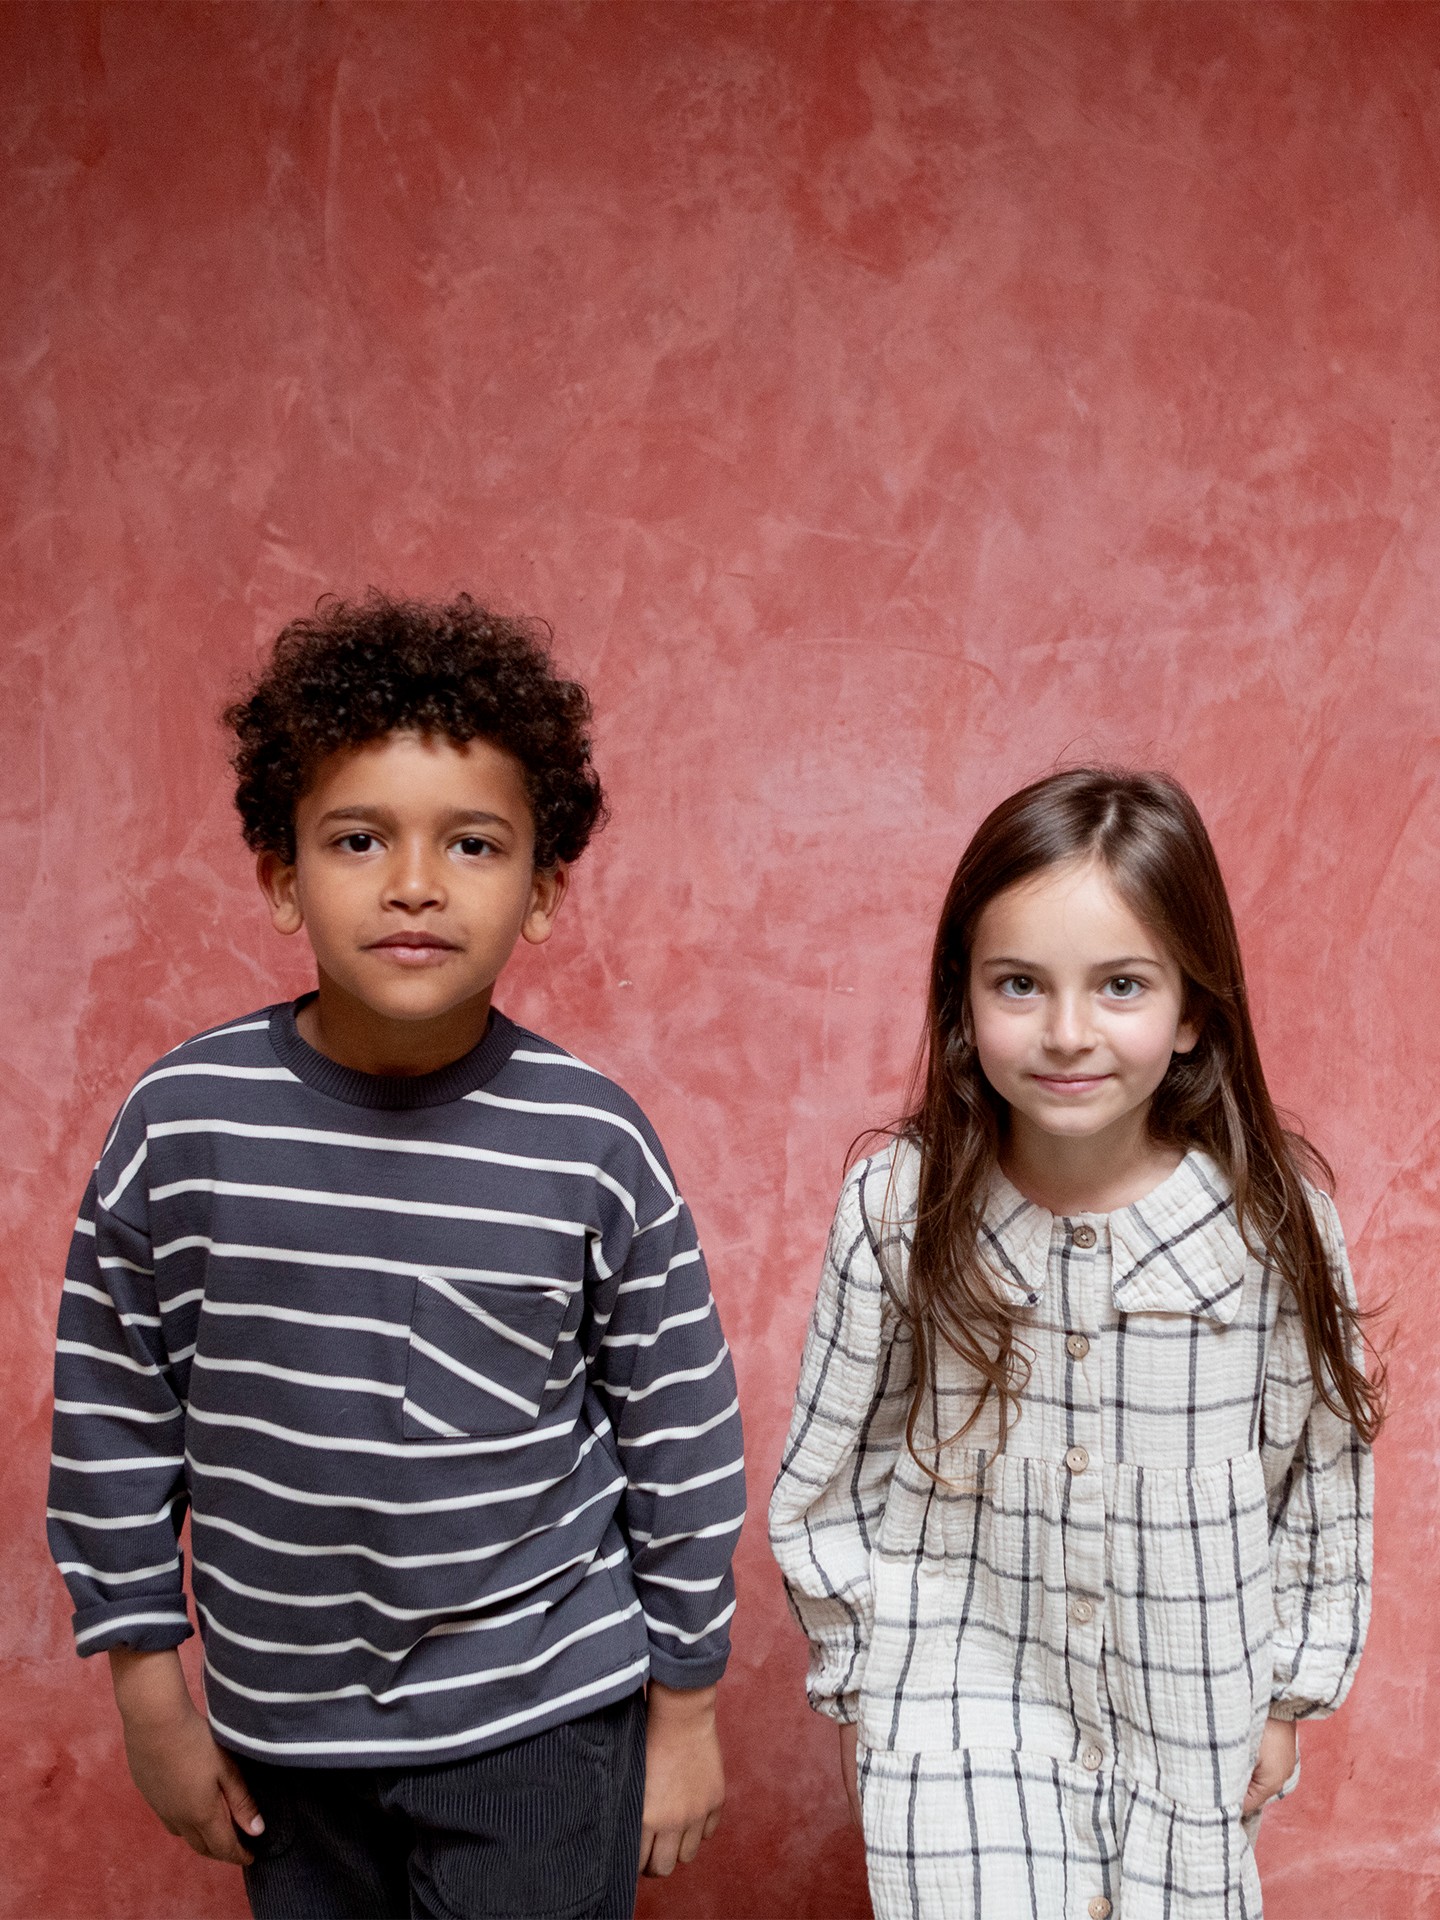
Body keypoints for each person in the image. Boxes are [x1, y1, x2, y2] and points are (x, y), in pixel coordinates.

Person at [47, 594, 744, 1920]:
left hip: (541, 1720)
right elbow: (112, 1418)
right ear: (279, 873)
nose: (413, 881)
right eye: (358, 838)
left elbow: (681, 1432)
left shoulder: (588, 1141)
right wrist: (148, 1686)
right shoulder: (183, 1125)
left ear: (541, 890)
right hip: (286, 1735)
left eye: (471, 844)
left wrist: (689, 1705)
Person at [769, 767, 1380, 1920]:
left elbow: (1322, 1470)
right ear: (962, 998)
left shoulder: (1266, 1220)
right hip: (953, 1696)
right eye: (1019, 985)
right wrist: (867, 1687)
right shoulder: (897, 1208)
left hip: (1189, 1704)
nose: (1065, 1032)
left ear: (1193, 1007)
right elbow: (832, 1465)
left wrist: (1289, 1693)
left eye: (1119, 986)